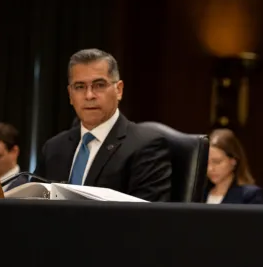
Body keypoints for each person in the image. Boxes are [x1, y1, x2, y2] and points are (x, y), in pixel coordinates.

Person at [34, 48, 172, 201]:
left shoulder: (146, 146)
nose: (89, 95)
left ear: (119, 90)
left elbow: (147, 217)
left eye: (99, 85)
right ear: (70, 95)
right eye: (79, 87)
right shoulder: (54, 148)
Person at [204, 128, 263, 204]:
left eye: (217, 162)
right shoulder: (199, 193)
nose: (210, 169)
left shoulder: (250, 195)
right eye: (206, 163)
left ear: (233, 160)